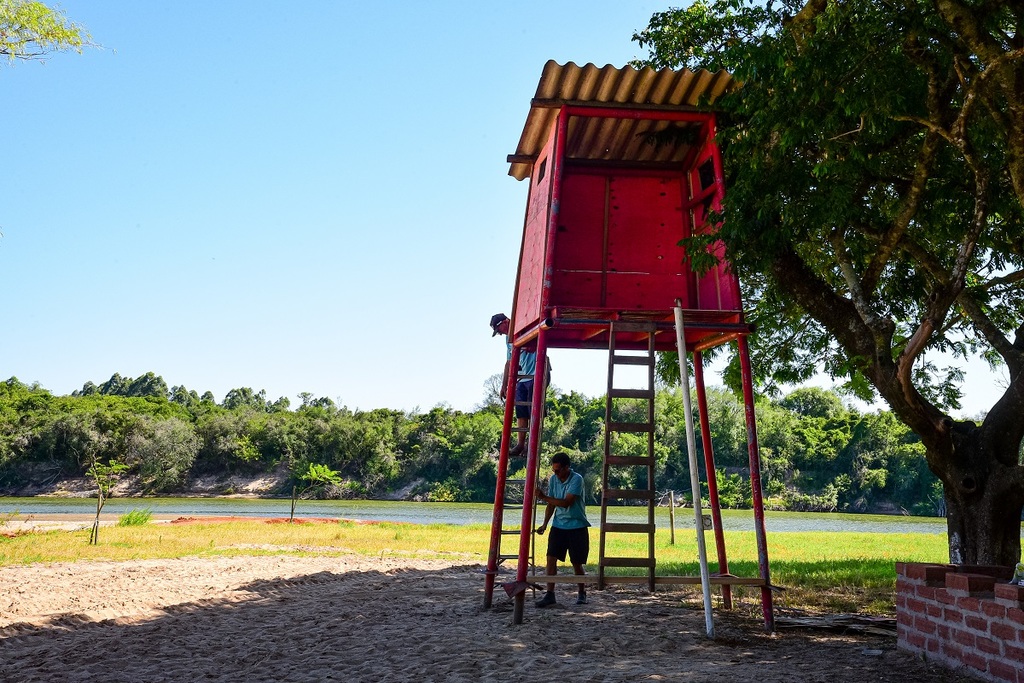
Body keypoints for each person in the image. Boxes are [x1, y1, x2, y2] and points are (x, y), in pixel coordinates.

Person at [534, 450, 590, 607]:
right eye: (554, 470)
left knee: (577, 562)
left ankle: (582, 593)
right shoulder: (553, 480)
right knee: (551, 558)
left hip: (577, 526)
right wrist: (545, 524)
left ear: (567, 468)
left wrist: (543, 497)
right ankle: (550, 594)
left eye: (558, 470)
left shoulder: (577, 479)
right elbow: (551, 504)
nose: (556, 473)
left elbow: (566, 503)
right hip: (558, 526)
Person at [489, 312, 535, 457]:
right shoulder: (509, 339)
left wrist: (527, 345)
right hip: (521, 378)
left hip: (535, 373)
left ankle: (530, 444)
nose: (501, 334)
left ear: (505, 322)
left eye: (499, 330)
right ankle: (520, 445)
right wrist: (504, 385)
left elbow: (537, 342)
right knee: (521, 412)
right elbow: (509, 362)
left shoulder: (524, 325)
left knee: (533, 411)